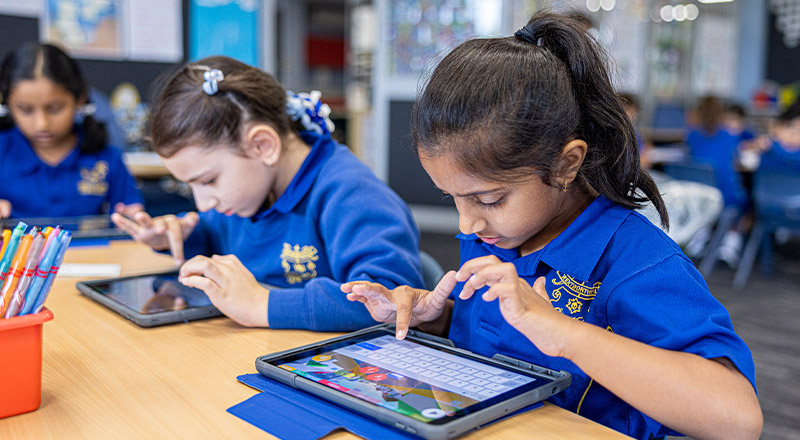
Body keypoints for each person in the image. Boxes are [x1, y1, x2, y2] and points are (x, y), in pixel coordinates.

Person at [342, 13, 762, 440]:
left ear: (566, 164)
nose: (467, 223)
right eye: (453, 198)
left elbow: (737, 418)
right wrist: (436, 319)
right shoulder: (498, 232)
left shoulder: (635, 260)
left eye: (489, 199)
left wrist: (563, 332)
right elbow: (498, 338)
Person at [111, 56, 424, 331]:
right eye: (189, 186)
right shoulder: (246, 195)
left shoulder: (351, 194)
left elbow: (391, 299)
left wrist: (263, 304)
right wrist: (180, 236)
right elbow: (215, 231)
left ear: (263, 146)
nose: (203, 202)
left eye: (208, 181)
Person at [0, 43, 143, 219]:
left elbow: (130, 215)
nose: (41, 124)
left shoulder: (107, 158)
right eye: (25, 110)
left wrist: (133, 220)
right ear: (7, 104)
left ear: (79, 99)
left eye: (55, 108)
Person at [686, 95, 750, 267]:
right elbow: (734, 161)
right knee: (747, 200)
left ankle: (701, 233)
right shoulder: (730, 136)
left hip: (700, 194)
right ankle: (731, 243)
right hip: (726, 197)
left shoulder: (692, 136)